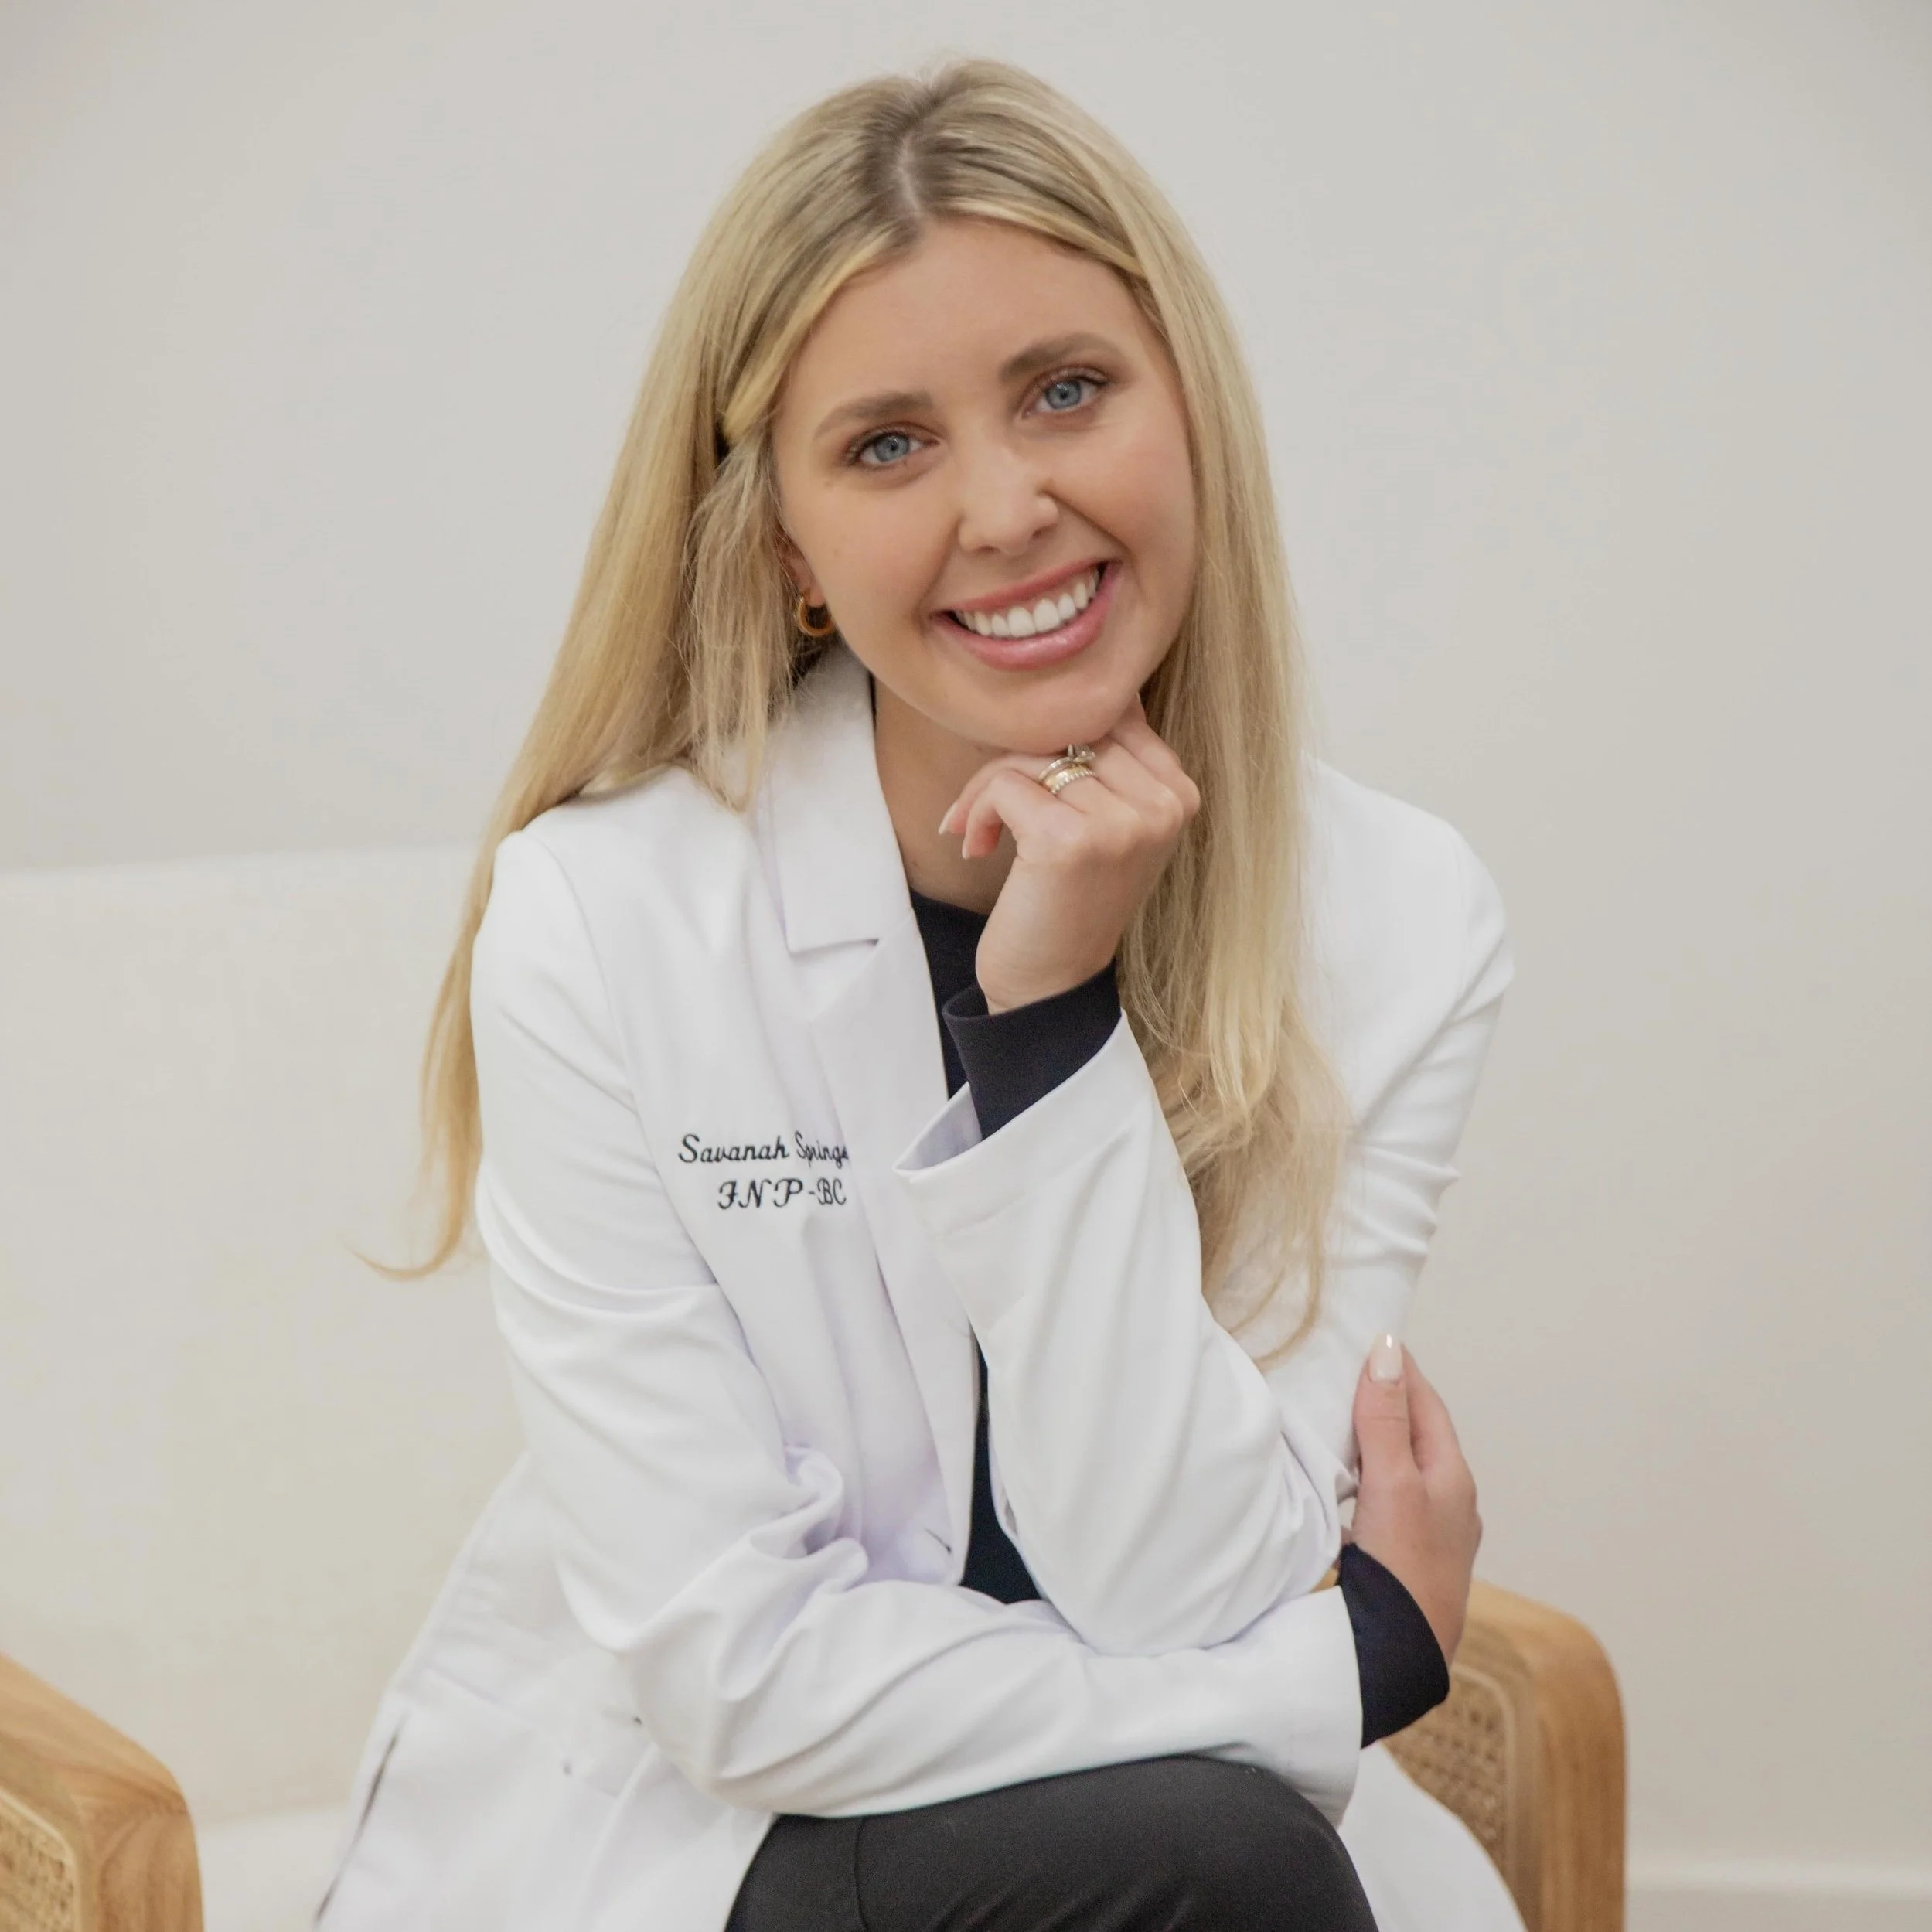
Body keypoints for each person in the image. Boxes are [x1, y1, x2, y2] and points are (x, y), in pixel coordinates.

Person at [317, 58, 1522, 1932]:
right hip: (731, 1836)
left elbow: (1180, 1580)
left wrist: (1048, 1021)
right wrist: (1330, 1671)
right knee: (1218, 1863)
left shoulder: (1398, 915)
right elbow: (739, 1679)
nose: (1007, 506)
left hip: (1189, 1840)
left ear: (1189, 407)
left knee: (1217, 1857)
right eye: (887, 446)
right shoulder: (601, 921)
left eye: (1066, 390)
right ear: (788, 551)